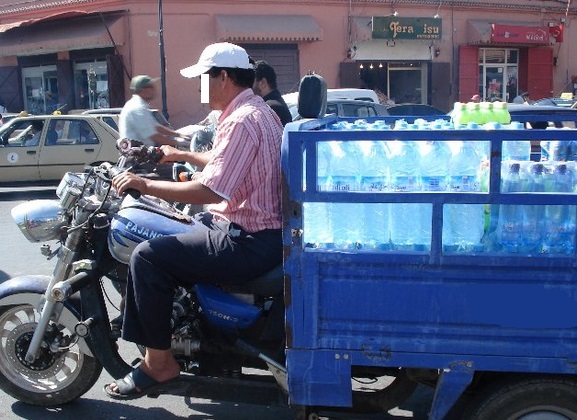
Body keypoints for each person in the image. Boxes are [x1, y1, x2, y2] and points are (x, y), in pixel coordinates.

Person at [105, 42, 284, 400]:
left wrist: (144, 184)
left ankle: (159, 364)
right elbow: (224, 163)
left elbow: (213, 191)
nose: (200, 87)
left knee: (147, 257)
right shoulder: (257, 111)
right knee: (171, 224)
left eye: (204, 78)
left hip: (247, 239)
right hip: (250, 230)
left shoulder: (242, 120)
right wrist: (179, 154)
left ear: (223, 77)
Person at [119, 75, 191, 147]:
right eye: (151, 87)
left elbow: (156, 127)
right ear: (142, 90)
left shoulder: (139, 105)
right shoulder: (137, 108)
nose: (154, 90)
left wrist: (178, 135)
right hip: (137, 155)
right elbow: (153, 136)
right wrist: (181, 143)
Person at [252, 60, 292, 126]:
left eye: (251, 82)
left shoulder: (270, 107)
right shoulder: (274, 104)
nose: (248, 88)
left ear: (263, 83)